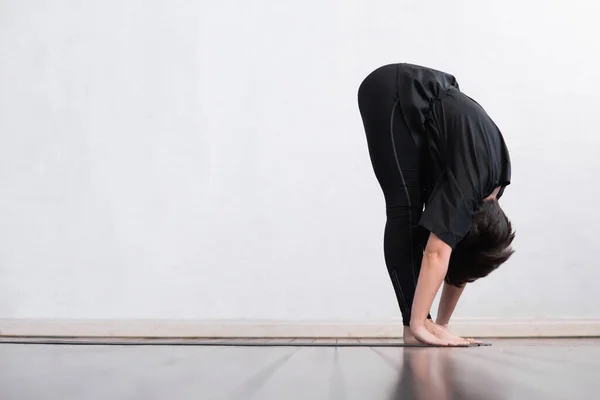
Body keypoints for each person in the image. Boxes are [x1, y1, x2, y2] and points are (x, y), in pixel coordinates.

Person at [357, 63, 515, 346]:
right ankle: (413, 326)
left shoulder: (492, 190)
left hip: (422, 103)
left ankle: (422, 323)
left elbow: (458, 262)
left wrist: (441, 326)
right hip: (393, 92)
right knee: (404, 208)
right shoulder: (469, 191)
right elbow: (437, 254)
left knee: (424, 219)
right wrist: (420, 324)